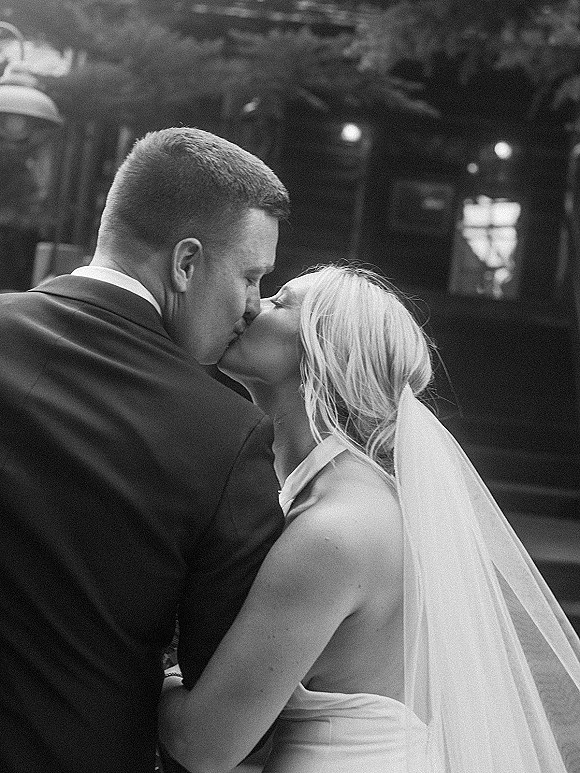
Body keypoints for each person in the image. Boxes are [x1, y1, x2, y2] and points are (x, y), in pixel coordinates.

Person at [159, 263, 580, 773]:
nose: (254, 305)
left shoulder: (335, 531)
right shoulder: (354, 501)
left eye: (281, 301)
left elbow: (204, 746)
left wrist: (129, 662)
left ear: (326, 348)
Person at [0, 127, 290, 773]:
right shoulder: (225, 433)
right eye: (250, 276)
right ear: (186, 262)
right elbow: (224, 694)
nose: (252, 305)